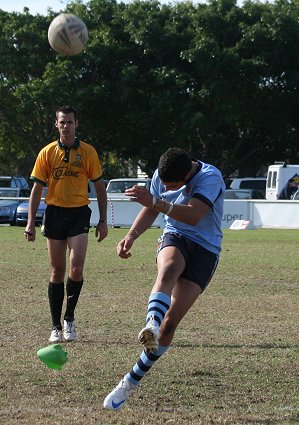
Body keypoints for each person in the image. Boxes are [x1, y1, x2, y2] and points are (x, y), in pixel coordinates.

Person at [103, 147, 225, 410]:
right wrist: (131, 236)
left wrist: (156, 202)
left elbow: (193, 215)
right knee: (168, 268)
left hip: (206, 250)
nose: (167, 187)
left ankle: (131, 380)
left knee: (171, 325)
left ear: (187, 176)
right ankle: (151, 323)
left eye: (173, 186)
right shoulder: (161, 174)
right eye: (165, 185)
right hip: (175, 236)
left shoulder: (210, 176)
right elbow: (152, 209)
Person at [24, 105, 108, 343]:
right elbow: (37, 189)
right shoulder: (47, 152)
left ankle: (69, 318)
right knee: (57, 270)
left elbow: (99, 187)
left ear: (76, 124)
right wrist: (30, 222)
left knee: (76, 267)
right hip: (55, 214)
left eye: (70, 122)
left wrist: (102, 220)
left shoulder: (88, 152)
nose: (66, 126)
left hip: (79, 213)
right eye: (62, 122)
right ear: (56, 125)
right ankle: (55, 326)